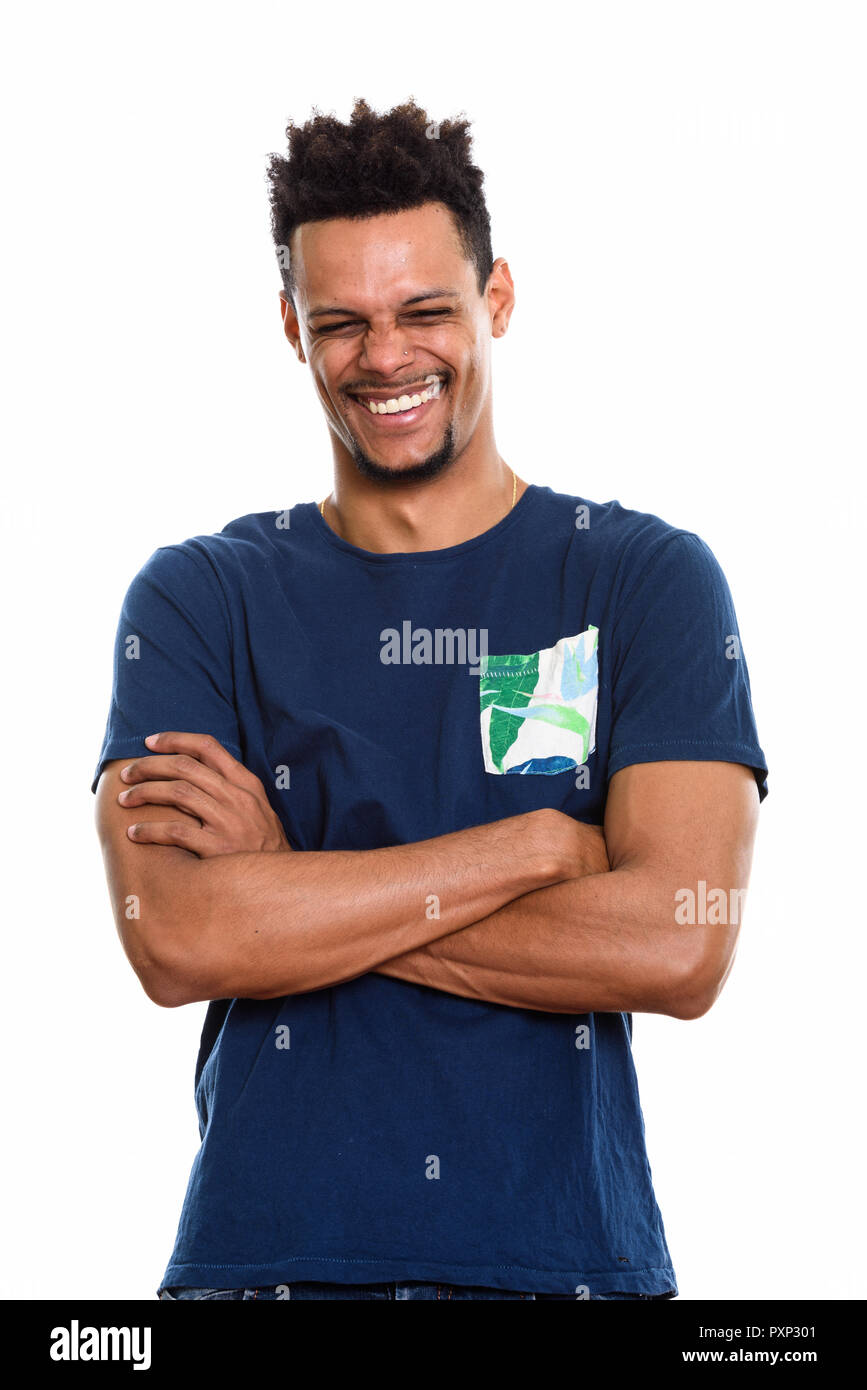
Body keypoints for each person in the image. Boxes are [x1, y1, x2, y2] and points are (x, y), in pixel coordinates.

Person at [92, 98, 768, 1301]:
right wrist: (536, 848)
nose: (387, 357)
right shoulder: (200, 597)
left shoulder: (642, 579)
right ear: (292, 328)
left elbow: (677, 943)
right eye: (342, 320)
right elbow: (183, 935)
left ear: (497, 298)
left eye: (426, 311)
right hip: (267, 1269)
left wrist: (296, 877)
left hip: (569, 1269)